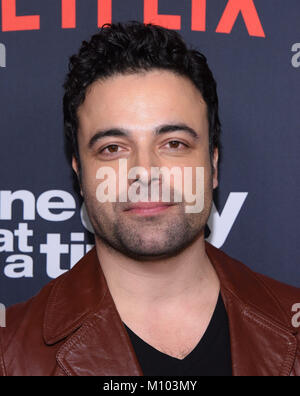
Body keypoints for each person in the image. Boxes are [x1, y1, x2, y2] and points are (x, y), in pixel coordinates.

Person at [0, 21, 299, 377]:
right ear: (79, 174)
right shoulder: (12, 355)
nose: (145, 171)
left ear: (213, 164)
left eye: (174, 144)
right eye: (112, 148)